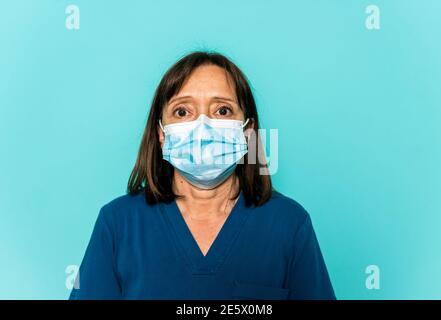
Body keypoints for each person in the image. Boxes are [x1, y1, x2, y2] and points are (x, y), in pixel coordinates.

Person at [69, 51, 335, 300]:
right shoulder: (118, 224)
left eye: (222, 110)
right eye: (182, 111)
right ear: (161, 134)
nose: (202, 126)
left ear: (247, 130)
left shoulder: (288, 223)